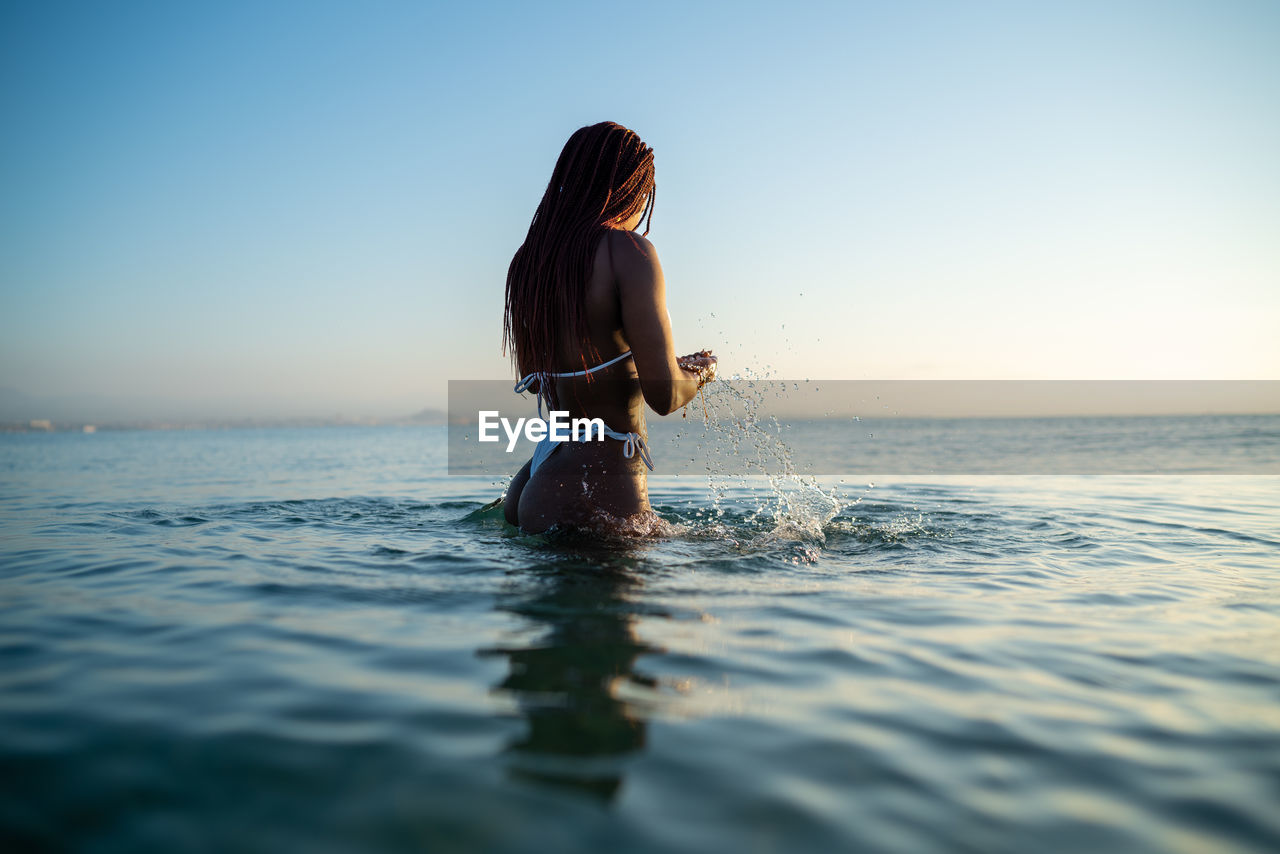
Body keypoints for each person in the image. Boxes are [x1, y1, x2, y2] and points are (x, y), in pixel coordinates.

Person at [502, 121, 716, 534]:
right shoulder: (627, 251)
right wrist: (701, 371)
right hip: (594, 488)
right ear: (628, 189)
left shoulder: (528, 262)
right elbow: (665, 394)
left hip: (539, 475)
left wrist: (650, 363)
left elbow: (539, 380)